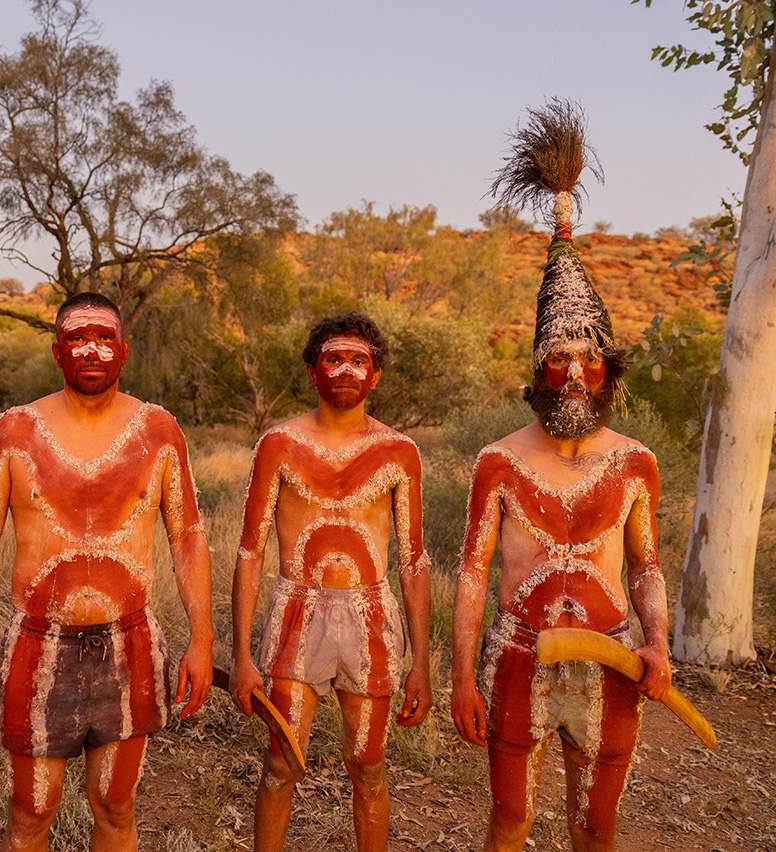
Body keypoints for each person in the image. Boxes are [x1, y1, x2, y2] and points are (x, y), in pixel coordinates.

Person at [450, 100, 672, 852]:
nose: (574, 372)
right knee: (510, 819)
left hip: (611, 655)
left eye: (589, 359)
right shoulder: (500, 462)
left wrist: (660, 644)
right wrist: (458, 677)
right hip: (517, 654)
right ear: (537, 370)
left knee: (598, 822)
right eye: (558, 358)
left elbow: (645, 565)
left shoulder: (634, 461)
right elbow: (472, 573)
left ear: (609, 370)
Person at [0, 292, 213, 852]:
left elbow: (187, 537)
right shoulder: (15, 430)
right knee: (31, 811)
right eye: (78, 339)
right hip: (39, 646)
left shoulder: (158, 431)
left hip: (128, 642)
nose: (92, 349)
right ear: (58, 352)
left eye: (104, 338)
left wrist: (201, 641)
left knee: (115, 804)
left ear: (123, 352)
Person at [230, 312, 433, 852]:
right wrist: (243, 656)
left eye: (359, 361)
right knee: (280, 763)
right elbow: (250, 552)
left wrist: (421, 662)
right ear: (314, 371)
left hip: (371, 618)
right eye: (334, 358)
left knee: (368, 766)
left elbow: (413, 561)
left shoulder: (398, 452)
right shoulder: (279, 444)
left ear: (375, 376)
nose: (346, 369)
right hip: (297, 610)